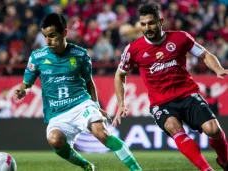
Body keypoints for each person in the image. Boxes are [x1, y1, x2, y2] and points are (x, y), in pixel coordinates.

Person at [13, 13, 142, 171]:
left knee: (102, 133)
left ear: (64, 33)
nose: (48, 41)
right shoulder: (37, 57)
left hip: (81, 103)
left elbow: (89, 82)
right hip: (57, 112)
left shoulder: (80, 54)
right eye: (45, 36)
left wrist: (95, 106)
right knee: (55, 140)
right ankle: (86, 165)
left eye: (52, 36)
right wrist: (22, 91)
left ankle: (137, 170)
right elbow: (27, 84)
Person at [112, 3, 228, 171]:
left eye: (151, 23)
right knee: (174, 127)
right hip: (161, 102)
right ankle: (206, 169)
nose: (147, 28)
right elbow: (119, 74)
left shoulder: (181, 38)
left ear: (161, 21)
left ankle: (224, 161)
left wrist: (217, 69)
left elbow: (204, 55)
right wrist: (121, 103)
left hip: (187, 94)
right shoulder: (133, 49)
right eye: (143, 24)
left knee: (213, 130)